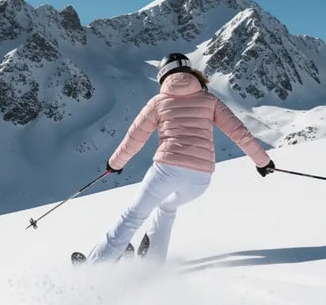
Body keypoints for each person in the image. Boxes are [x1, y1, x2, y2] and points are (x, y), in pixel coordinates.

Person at [86, 53, 275, 264]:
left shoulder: (158, 101)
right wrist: (263, 162)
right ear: (190, 71)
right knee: (167, 207)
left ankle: (94, 267)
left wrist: (115, 164)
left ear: (162, 75)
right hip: (200, 179)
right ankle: (152, 264)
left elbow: (135, 137)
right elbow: (239, 132)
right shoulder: (209, 100)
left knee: (133, 217)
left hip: (166, 170)